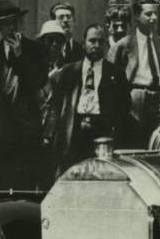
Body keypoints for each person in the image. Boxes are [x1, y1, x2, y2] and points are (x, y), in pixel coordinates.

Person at [43, 24, 131, 175]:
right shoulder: (68, 72)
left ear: (106, 45)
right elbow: (55, 107)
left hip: (102, 132)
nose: (96, 45)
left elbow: (124, 107)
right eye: (92, 41)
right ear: (84, 43)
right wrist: (48, 135)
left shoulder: (116, 73)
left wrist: (115, 134)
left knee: (101, 175)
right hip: (74, 131)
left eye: (101, 42)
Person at [0, 0, 50, 190]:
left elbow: (38, 81)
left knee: (25, 184)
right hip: (0, 132)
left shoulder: (35, 49)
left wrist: (20, 57)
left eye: (14, 22)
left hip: (27, 130)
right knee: (0, 184)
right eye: (6, 24)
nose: (11, 28)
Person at [107, 0, 160, 145]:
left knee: (158, 143)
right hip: (135, 99)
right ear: (136, 16)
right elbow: (110, 80)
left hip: (158, 99)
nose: (153, 18)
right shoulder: (123, 45)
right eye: (148, 14)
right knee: (135, 141)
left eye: (155, 14)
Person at [50, 1, 84, 65]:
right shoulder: (48, 48)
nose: (65, 20)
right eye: (61, 17)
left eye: (69, 17)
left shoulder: (82, 49)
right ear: (53, 22)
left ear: (74, 21)